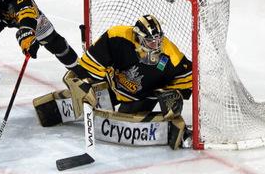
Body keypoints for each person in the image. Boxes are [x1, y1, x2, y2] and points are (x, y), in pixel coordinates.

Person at [32, 14, 193, 149]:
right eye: (151, 41)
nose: (156, 46)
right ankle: (57, 108)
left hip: (142, 96)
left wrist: (174, 94)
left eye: (159, 41)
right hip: (113, 84)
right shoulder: (117, 36)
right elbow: (91, 63)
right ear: (138, 37)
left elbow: (187, 75)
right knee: (88, 96)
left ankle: (168, 130)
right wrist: (82, 82)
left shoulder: (171, 55)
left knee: (123, 123)